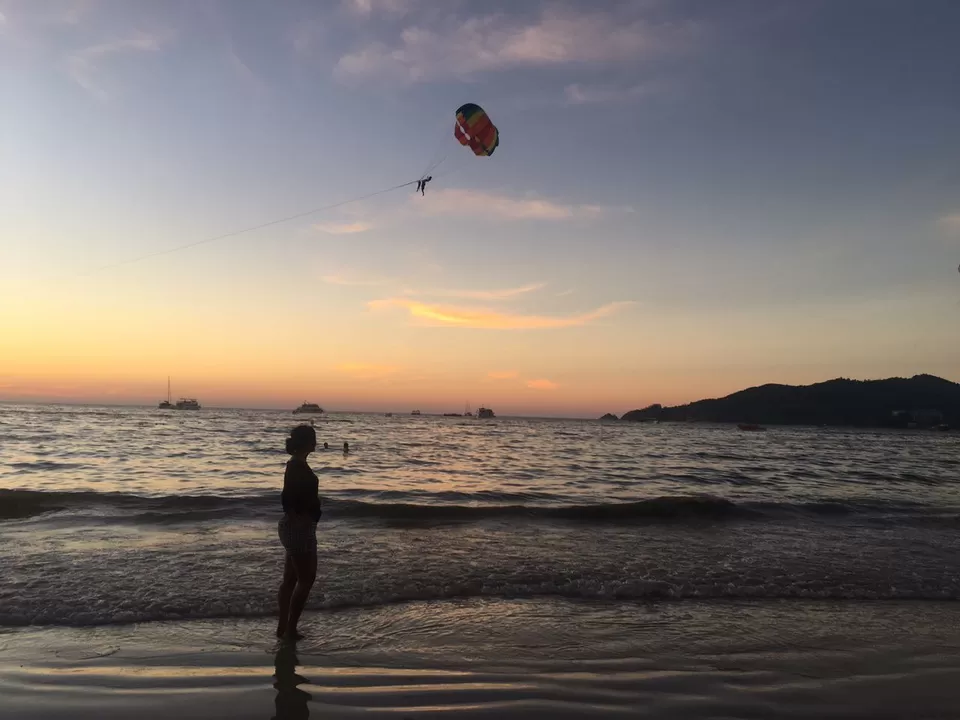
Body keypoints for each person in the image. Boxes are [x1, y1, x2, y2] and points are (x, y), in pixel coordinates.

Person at [276, 425, 322, 640]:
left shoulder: (297, 464)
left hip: (295, 528)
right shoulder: (297, 466)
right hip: (298, 529)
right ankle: (290, 630)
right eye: (313, 439)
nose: (316, 442)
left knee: (291, 579)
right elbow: (287, 498)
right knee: (306, 579)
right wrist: (300, 520)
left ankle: (283, 626)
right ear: (307, 442)